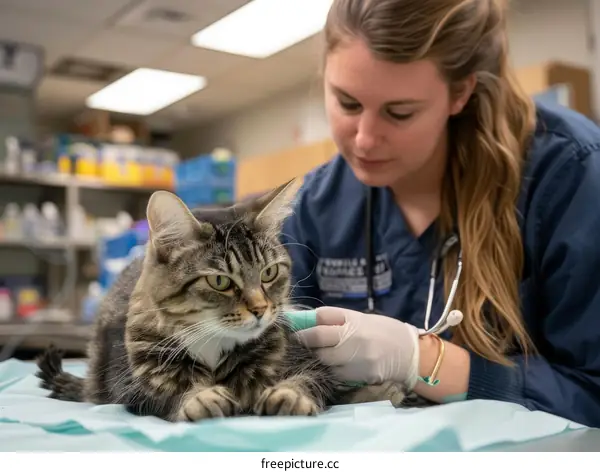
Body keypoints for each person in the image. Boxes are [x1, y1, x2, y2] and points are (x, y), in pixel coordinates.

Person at [281, 0, 600, 428]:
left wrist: (423, 360)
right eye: (348, 103)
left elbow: (591, 391)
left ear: (460, 93)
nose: (365, 140)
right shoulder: (318, 205)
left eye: (400, 112)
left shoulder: (567, 174)